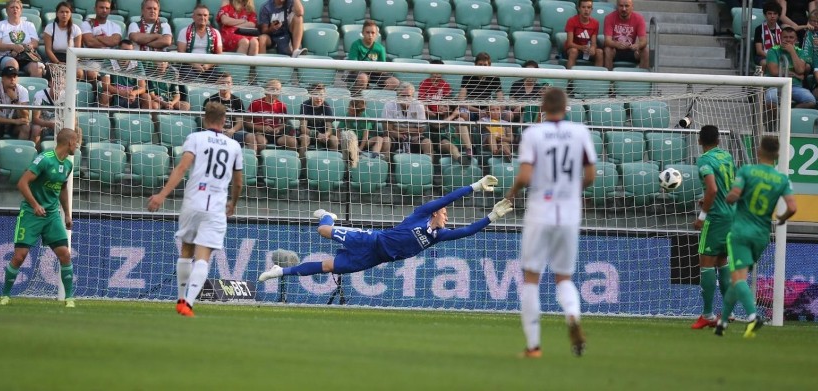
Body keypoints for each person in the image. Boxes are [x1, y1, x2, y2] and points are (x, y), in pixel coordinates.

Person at [258, 176, 512, 280]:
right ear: (436, 212)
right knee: (323, 230)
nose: (447, 217)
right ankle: (327, 215)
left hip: (374, 258)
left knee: (328, 267)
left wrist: (492, 215)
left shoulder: (438, 236)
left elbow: (467, 231)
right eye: (445, 213)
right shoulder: (422, 214)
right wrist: (476, 187)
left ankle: (281, 271)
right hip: (371, 240)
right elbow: (447, 198)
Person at [505, 87, 597, 358]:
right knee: (564, 277)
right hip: (569, 211)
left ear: (542, 108)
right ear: (565, 107)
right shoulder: (580, 132)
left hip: (540, 209)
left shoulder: (533, 134)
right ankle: (572, 315)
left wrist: (510, 195)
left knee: (531, 278)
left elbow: (524, 176)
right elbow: (591, 174)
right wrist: (570, 189)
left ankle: (533, 346)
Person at [147, 102, 244, 317]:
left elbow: (182, 168)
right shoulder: (234, 146)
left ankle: (181, 297)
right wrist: (233, 204)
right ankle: (188, 304)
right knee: (203, 256)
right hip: (216, 205)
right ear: (224, 120)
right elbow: (238, 183)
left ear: (204, 118)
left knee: (186, 250)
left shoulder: (195, 139)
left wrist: (162, 195)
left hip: (193, 201)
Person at [715, 135, 797, 338]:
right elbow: (793, 207)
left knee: (738, 277)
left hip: (741, 232)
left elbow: (733, 195)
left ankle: (753, 316)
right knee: (738, 279)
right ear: (778, 155)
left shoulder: (747, 171)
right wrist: (783, 218)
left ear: (758, 152)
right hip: (762, 235)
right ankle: (722, 323)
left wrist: (731, 197)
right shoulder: (782, 179)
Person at [0, 128, 80, 307]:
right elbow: (22, 182)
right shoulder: (44, 159)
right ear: (69, 143)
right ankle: (5, 295)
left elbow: (62, 189)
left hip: (51, 215)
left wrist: (67, 213)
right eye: (76, 142)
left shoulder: (68, 164)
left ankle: (69, 298)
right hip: (31, 213)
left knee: (65, 255)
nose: (77, 146)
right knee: (20, 256)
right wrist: (35, 205)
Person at [690, 125, 736, 329]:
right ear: (718, 140)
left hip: (716, 218)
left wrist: (702, 216)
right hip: (732, 215)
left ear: (699, 141)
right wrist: (708, 199)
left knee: (706, 263)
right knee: (723, 260)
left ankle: (708, 315)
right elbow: (728, 186)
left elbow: (713, 189)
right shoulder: (726, 156)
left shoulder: (704, 160)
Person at [419, 60, 472, 163]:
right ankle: (460, 158)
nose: (436, 74)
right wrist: (428, 111)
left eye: (439, 71)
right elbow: (421, 102)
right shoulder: (424, 84)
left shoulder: (445, 86)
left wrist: (450, 111)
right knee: (448, 144)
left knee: (461, 118)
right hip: (433, 117)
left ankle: (469, 149)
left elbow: (448, 101)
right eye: (434, 71)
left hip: (446, 120)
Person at [764, 26, 816, 109]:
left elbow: (800, 70)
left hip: (795, 86)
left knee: (810, 101)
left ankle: (790, 117)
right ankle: (779, 119)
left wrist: (792, 51)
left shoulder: (800, 52)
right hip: (776, 85)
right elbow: (774, 71)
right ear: (780, 39)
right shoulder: (772, 50)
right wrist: (793, 73)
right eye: (785, 37)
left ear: (795, 40)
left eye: (791, 37)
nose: (788, 40)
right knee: (771, 100)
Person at [0, 0, 44, 77]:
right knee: (13, 64)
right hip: (5, 56)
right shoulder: (0, 25)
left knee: (37, 67)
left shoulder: (29, 25)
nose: (15, 9)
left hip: (26, 57)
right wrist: (13, 47)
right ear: (7, 11)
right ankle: (13, 88)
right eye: (12, 7)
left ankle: (34, 88)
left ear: (21, 11)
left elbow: (35, 43)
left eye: (17, 7)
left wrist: (25, 47)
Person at [346, 20, 399, 93]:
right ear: (363, 33)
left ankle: (379, 100)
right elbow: (353, 66)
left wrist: (374, 69)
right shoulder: (356, 45)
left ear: (376, 34)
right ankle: (358, 101)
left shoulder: (380, 48)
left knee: (394, 82)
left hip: (375, 74)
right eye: (367, 32)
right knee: (363, 78)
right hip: (359, 73)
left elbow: (383, 69)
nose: (370, 35)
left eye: (373, 33)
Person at [204, 73, 254, 150]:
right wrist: (218, 130)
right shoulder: (210, 101)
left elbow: (240, 122)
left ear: (231, 84)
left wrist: (232, 130)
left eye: (228, 83)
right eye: (222, 83)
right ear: (217, 84)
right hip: (215, 131)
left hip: (233, 132)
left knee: (250, 137)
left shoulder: (237, 101)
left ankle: (252, 160)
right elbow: (205, 121)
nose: (225, 85)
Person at [384, 81, 432, 159]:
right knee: (386, 141)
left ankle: (428, 168)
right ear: (397, 96)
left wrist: (398, 128)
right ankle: (385, 168)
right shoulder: (389, 105)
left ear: (412, 96)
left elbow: (421, 130)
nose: (406, 98)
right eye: (403, 95)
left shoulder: (419, 105)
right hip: (394, 136)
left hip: (414, 137)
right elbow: (387, 129)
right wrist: (400, 135)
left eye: (408, 96)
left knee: (427, 143)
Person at [177, 4, 223, 82]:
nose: (202, 18)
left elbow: (219, 55)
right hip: (189, 65)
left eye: (205, 15)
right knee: (186, 77)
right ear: (193, 17)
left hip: (209, 66)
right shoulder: (184, 31)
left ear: (208, 17)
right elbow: (181, 52)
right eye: (199, 15)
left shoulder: (215, 33)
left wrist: (208, 65)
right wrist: (194, 64)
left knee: (219, 78)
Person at [81, 0, 123, 82]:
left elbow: (114, 41)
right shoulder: (87, 24)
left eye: (107, 8)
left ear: (110, 10)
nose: (104, 10)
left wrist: (97, 37)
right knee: (91, 73)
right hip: (93, 59)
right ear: (95, 8)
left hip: (111, 59)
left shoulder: (115, 26)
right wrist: (108, 39)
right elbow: (90, 42)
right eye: (101, 7)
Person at [99, 40, 148, 109]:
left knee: (146, 97)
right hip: (115, 95)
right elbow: (105, 85)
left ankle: (145, 119)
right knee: (105, 95)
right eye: (125, 50)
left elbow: (142, 88)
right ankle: (103, 118)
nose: (127, 54)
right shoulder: (109, 61)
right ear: (118, 50)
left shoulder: (137, 63)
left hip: (131, 96)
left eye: (130, 51)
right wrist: (121, 93)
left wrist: (134, 93)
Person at [247, 79, 291, 153]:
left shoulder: (282, 106)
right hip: (260, 133)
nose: (275, 92)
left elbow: (285, 123)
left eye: (278, 90)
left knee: (292, 141)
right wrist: (262, 128)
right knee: (261, 142)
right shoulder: (256, 103)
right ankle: (260, 162)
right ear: (265, 91)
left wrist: (278, 128)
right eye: (272, 89)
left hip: (276, 134)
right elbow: (246, 123)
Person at [603, 0, 649, 70]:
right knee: (607, 49)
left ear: (632, 7)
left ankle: (642, 79)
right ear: (617, 6)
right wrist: (616, 44)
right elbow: (607, 41)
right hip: (615, 51)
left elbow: (644, 41)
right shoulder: (609, 17)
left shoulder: (639, 18)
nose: (624, 9)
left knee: (645, 51)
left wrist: (638, 45)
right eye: (621, 6)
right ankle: (609, 79)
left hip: (631, 51)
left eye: (627, 6)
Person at [43, 2, 83, 80]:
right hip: (55, 58)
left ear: (70, 14)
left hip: (71, 59)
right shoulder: (50, 27)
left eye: (67, 12)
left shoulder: (76, 29)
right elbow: (48, 50)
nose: (64, 14)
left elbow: (78, 51)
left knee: (79, 72)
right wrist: (58, 63)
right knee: (54, 71)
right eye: (61, 12)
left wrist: (70, 64)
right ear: (57, 14)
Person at [0, 66, 30, 142]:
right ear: (2, 79)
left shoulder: (23, 90)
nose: (12, 79)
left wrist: (15, 100)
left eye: (14, 76)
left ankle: (19, 152)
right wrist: (14, 121)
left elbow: (25, 116)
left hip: (14, 125)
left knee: (26, 127)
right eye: (9, 77)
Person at [564, 0, 604, 69]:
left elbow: (594, 42)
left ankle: (597, 78)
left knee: (599, 52)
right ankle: (570, 78)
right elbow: (569, 43)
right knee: (574, 51)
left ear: (591, 9)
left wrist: (593, 48)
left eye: (589, 7)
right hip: (574, 49)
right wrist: (581, 47)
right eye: (583, 7)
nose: (586, 10)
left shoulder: (595, 23)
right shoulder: (571, 21)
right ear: (579, 8)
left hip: (586, 50)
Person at [299, 83, 335, 152]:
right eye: (315, 95)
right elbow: (303, 128)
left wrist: (326, 134)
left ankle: (333, 161)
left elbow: (329, 128)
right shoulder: (305, 105)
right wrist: (317, 134)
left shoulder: (326, 106)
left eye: (321, 95)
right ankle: (302, 161)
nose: (318, 98)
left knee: (334, 140)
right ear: (310, 95)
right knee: (305, 138)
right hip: (308, 134)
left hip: (323, 135)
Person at [754, 2, 783, 68]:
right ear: (765, 15)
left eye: (775, 14)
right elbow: (759, 51)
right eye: (769, 13)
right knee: (765, 63)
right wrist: (772, 57)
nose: (772, 16)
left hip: (779, 55)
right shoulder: (759, 29)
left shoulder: (782, 30)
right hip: (762, 56)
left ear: (778, 16)